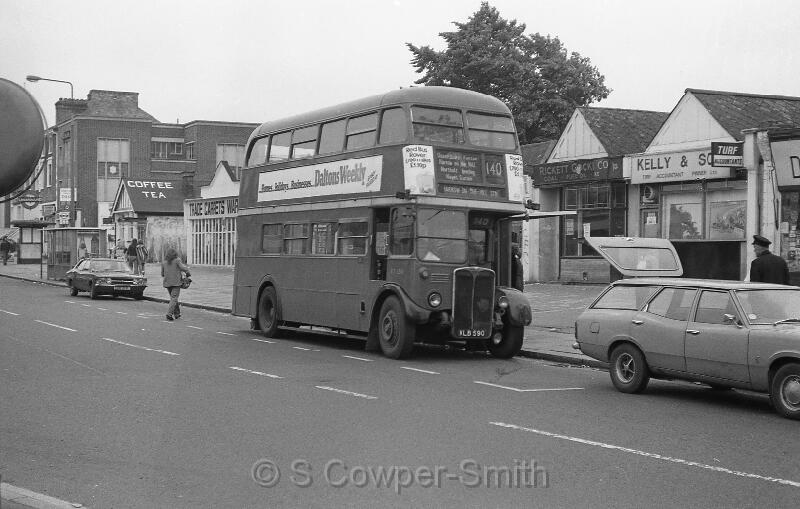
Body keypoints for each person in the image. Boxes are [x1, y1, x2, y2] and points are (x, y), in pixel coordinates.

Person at [161, 247, 191, 321]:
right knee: (174, 298)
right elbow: (183, 268)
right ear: (175, 254)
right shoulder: (177, 260)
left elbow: (162, 274)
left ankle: (177, 314)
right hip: (176, 283)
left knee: (173, 298)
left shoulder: (164, 262)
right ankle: (169, 314)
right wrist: (187, 272)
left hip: (167, 283)